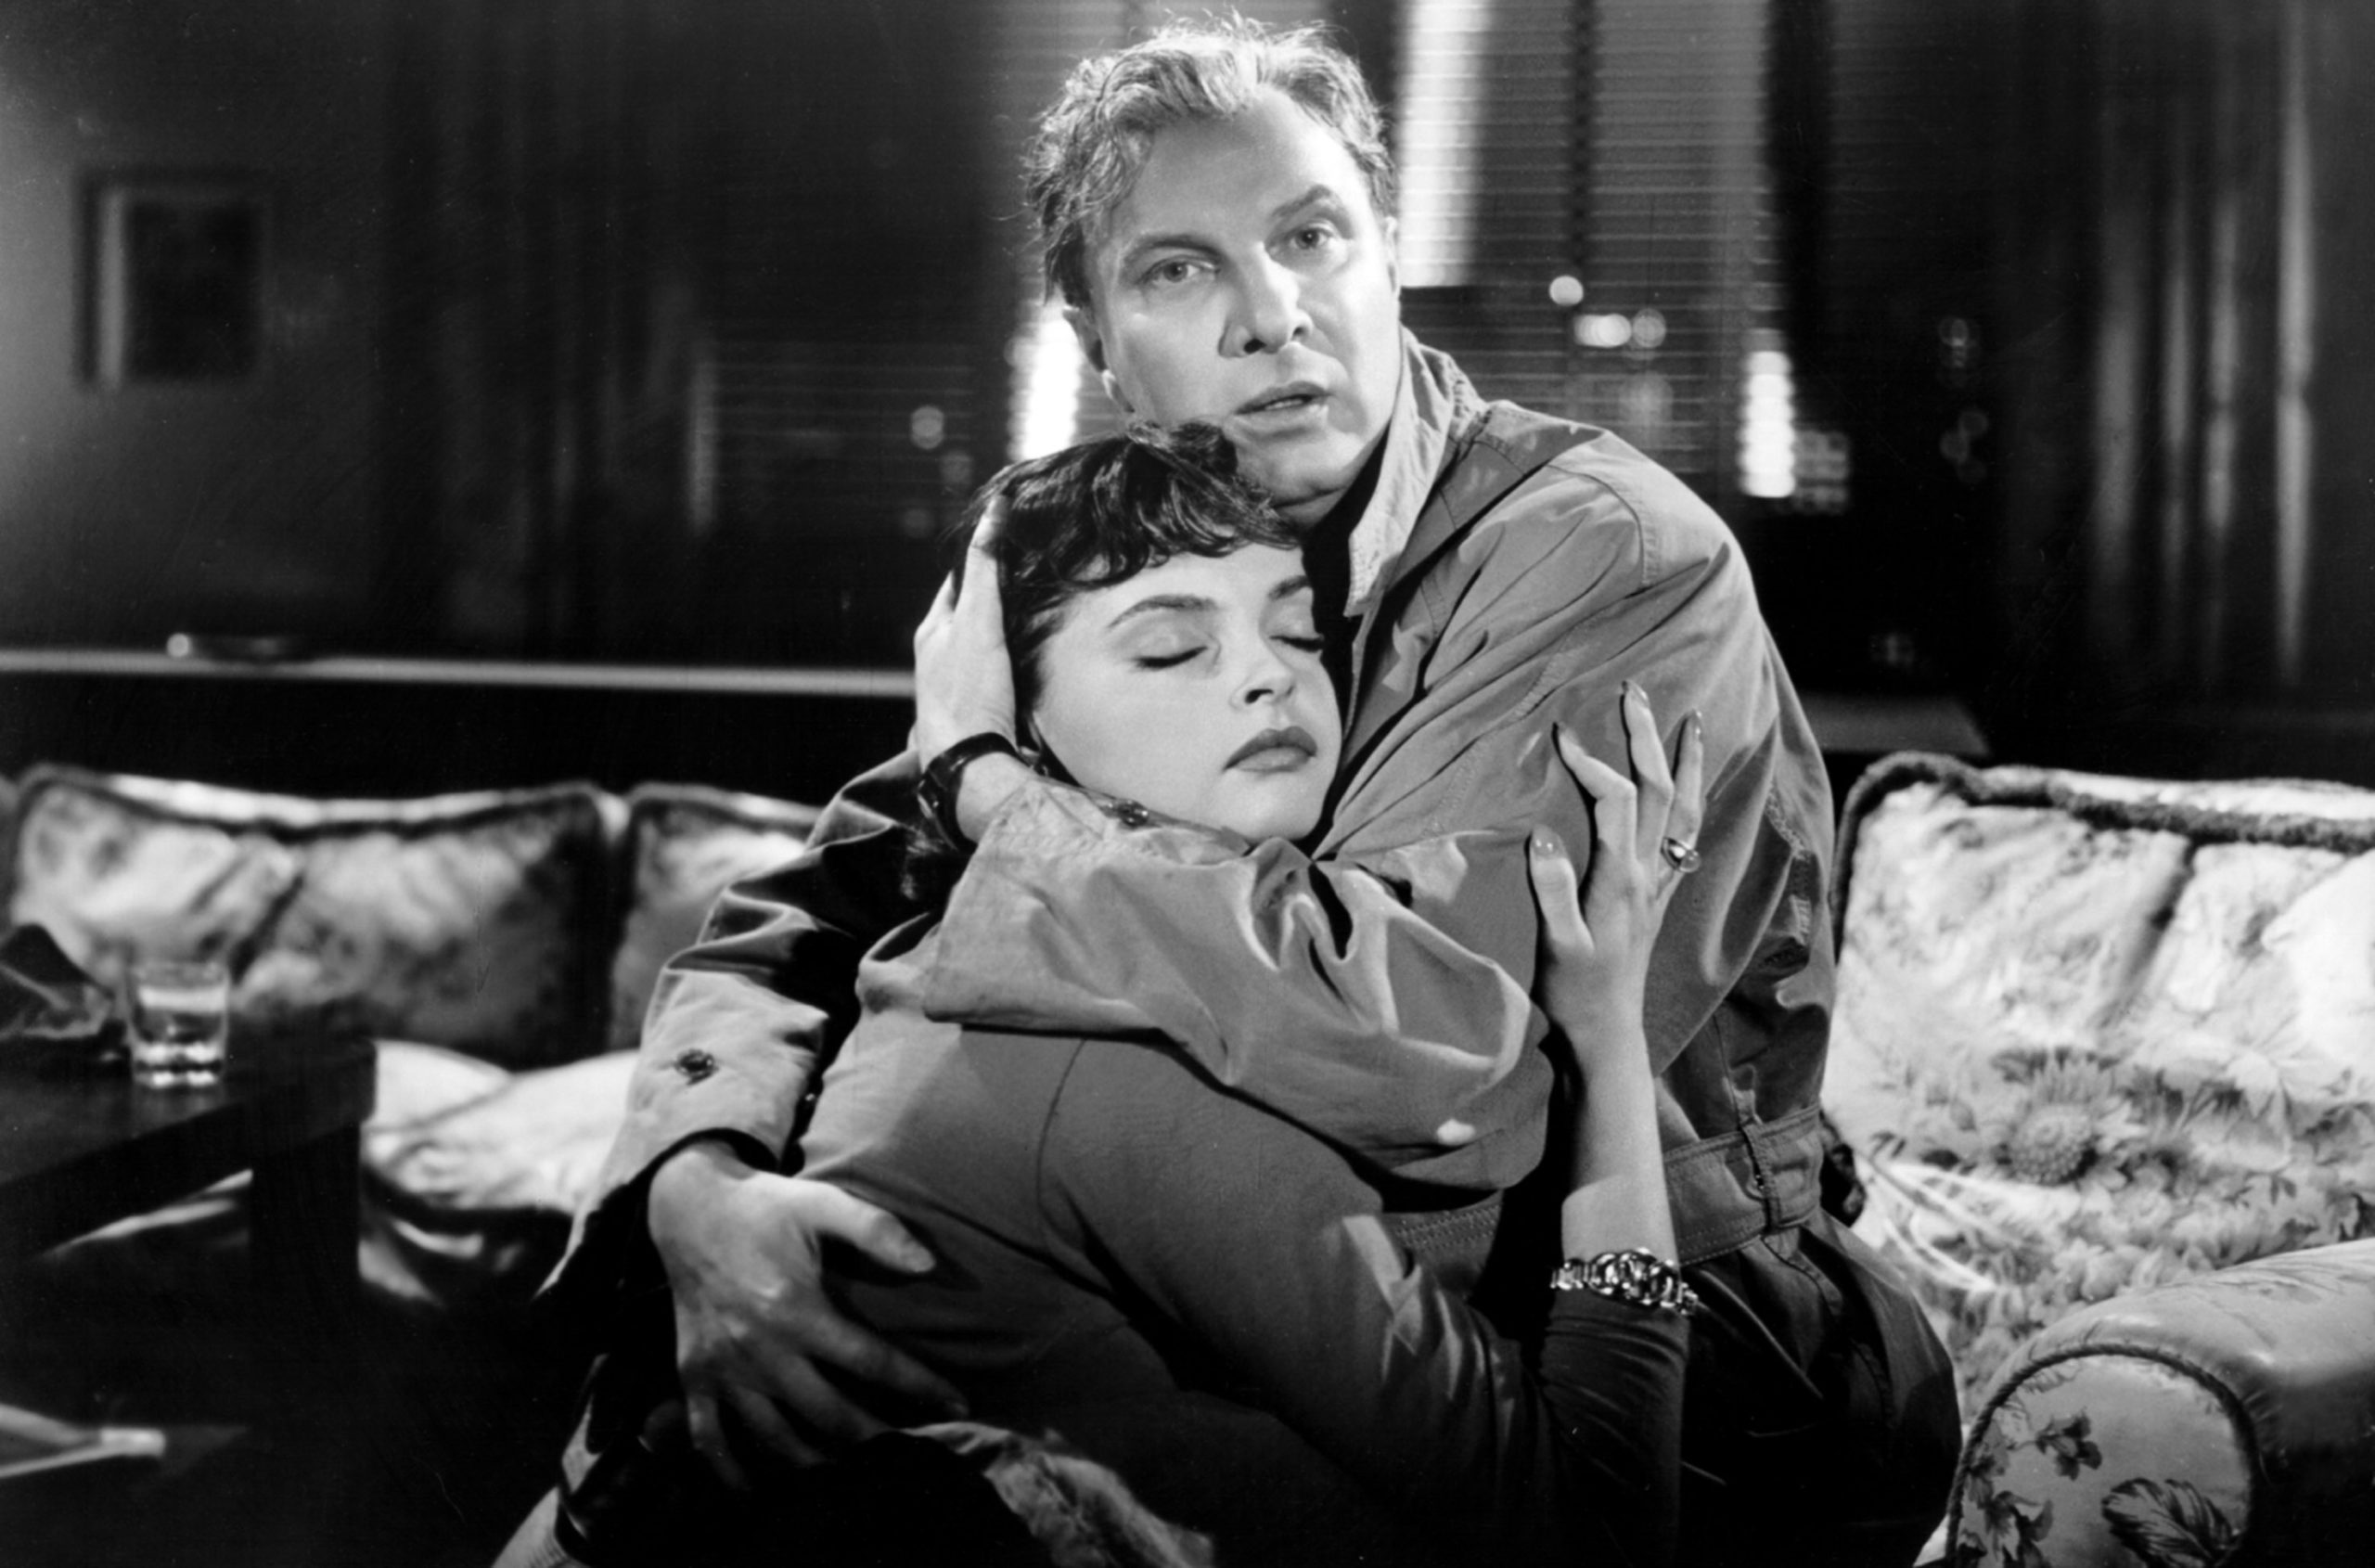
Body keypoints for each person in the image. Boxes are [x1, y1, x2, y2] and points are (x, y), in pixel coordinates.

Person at [549, 17, 1958, 1566]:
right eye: (1178, 268)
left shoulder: (1600, 553)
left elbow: (1441, 1075)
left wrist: (995, 789)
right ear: (1096, 338)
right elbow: (829, 903)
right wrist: (698, 1183)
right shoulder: (1128, 543)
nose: (1272, 315)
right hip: (1272, 1303)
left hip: (1668, 1349)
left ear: (1389, 251)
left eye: (1311, 238)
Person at [509, 424, 1705, 1566]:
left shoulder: (1063, 956)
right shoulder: (1118, 1062)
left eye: (1297, 634)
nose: (1266, 679)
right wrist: (1607, 1039)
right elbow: (1593, 1526)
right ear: (1020, 738)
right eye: (1172, 650)